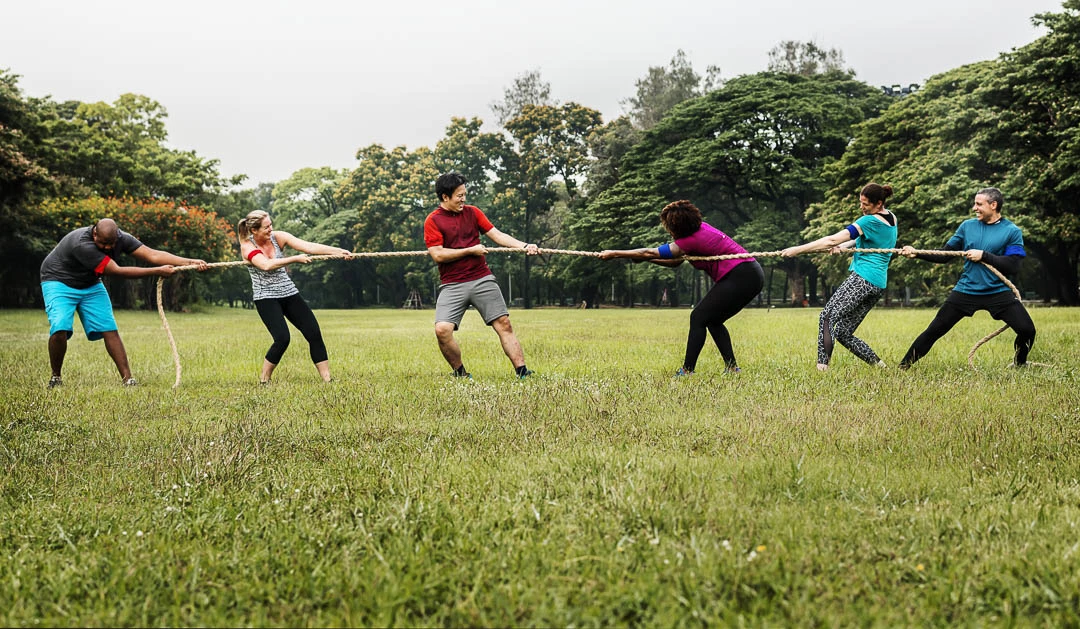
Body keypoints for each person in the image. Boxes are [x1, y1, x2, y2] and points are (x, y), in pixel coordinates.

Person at [600, 200, 764, 375]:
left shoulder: (692, 240)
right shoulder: (701, 231)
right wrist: (646, 259)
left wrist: (615, 254)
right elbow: (675, 262)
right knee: (713, 320)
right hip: (749, 274)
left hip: (741, 276)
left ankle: (687, 371)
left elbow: (650, 252)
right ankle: (732, 368)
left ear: (676, 227)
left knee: (698, 317)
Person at [40, 218, 207, 388]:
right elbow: (116, 271)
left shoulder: (122, 238)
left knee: (109, 328)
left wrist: (190, 262)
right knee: (60, 326)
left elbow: (152, 254)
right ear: (94, 233)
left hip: (90, 283)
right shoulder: (81, 245)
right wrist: (157, 271)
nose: (107, 248)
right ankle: (56, 377)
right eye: (103, 243)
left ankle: (128, 379)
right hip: (59, 281)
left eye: (110, 244)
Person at [898, 187, 1036, 369]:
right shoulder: (967, 226)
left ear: (993, 205)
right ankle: (903, 367)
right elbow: (946, 254)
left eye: (979, 204)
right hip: (966, 290)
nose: (974, 208)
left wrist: (984, 255)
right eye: (975, 204)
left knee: (1027, 330)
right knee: (934, 330)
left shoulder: (1011, 231)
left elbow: (1013, 265)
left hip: (998, 291)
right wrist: (917, 253)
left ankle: (1020, 364)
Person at [424, 172, 539, 380]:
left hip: (481, 278)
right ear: (444, 197)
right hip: (452, 284)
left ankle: (523, 372)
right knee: (442, 330)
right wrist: (470, 250)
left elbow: (497, 235)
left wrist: (524, 246)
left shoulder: (473, 213)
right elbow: (438, 254)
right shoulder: (433, 221)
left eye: (464, 194)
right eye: (459, 195)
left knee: (504, 323)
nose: (463, 199)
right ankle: (460, 374)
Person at [781, 183, 898, 371]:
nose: (862, 207)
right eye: (861, 203)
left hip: (863, 279)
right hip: (877, 284)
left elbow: (832, 240)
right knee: (843, 332)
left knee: (827, 316)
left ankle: (822, 369)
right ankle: (882, 367)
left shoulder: (869, 221)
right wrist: (845, 248)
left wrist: (798, 250)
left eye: (866, 204)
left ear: (879, 204)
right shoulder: (891, 218)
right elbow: (865, 239)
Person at [237, 210, 353, 384]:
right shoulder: (247, 246)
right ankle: (264, 380)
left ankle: (327, 380)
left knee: (313, 332)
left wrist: (338, 251)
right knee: (282, 338)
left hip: (289, 293)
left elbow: (309, 247)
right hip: (266, 297)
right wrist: (294, 259)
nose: (271, 229)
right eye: (266, 227)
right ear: (254, 230)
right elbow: (266, 265)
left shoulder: (278, 237)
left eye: (271, 225)